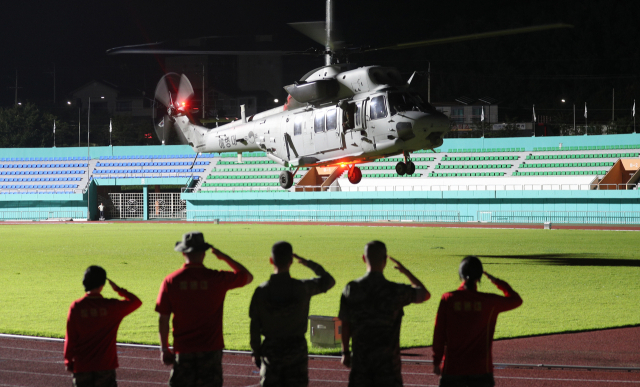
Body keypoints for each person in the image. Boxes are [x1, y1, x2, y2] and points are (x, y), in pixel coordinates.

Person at [156, 231, 253, 387]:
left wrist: (164, 349)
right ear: (204, 253)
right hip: (211, 350)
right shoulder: (217, 278)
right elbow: (247, 276)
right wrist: (224, 257)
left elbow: (163, 319)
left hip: (184, 349)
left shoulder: (171, 281)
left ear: (183, 252)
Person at [339, 241, 430, 387]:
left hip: (361, 364)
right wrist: (405, 271)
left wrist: (345, 352)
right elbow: (424, 294)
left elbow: (345, 323)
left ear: (364, 258)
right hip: (388, 366)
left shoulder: (352, 289)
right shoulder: (395, 291)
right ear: (385, 261)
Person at [249, 241, 336, 387]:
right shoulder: (302, 288)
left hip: (271, 350)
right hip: (296, 351)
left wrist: (256, 352)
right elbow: (329, 281)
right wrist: (308, 263)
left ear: (271, 260)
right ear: (291, 261)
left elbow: (255, 325)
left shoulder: (261, 291)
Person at [432, 256, 523, 387]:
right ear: (479, 276)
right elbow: (516, 300)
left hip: (452, 370)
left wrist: (436, 361)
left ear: (460, 274)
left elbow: (439, 332)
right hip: (481, 371)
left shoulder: (448, 299)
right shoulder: (489, 302)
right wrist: (496, 281)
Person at [64, 265, 142, 387]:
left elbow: (71, 337)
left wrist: (68, 360)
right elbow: (136, 302)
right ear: (102, 284)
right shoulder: (112, 307)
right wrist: (118, 289)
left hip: (82, 366)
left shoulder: (76, 307)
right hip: (105, 366)